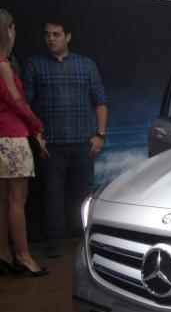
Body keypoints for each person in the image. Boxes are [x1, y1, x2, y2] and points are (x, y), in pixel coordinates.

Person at [24, 16, 109, 259]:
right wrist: (36, 136)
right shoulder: (35, 65)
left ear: (67, 37)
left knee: (85, 195)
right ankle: (53, 244)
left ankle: (88, 239)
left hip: (84, 143)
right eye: (47, 34)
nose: (51, 39)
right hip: (50, 145)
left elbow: (101, 100)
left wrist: (100, 135)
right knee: (52, 195)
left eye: (56, 34)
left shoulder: (86, 64)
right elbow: (26, 104)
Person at [0, 9, 48, 277]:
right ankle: (23, 256)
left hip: (2, 136)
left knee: (4, 199)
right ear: (7, 31)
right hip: (13, 138)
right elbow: (18, 103)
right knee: (18, 199)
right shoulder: (3, 64)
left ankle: (4, 254)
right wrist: (37, 127)